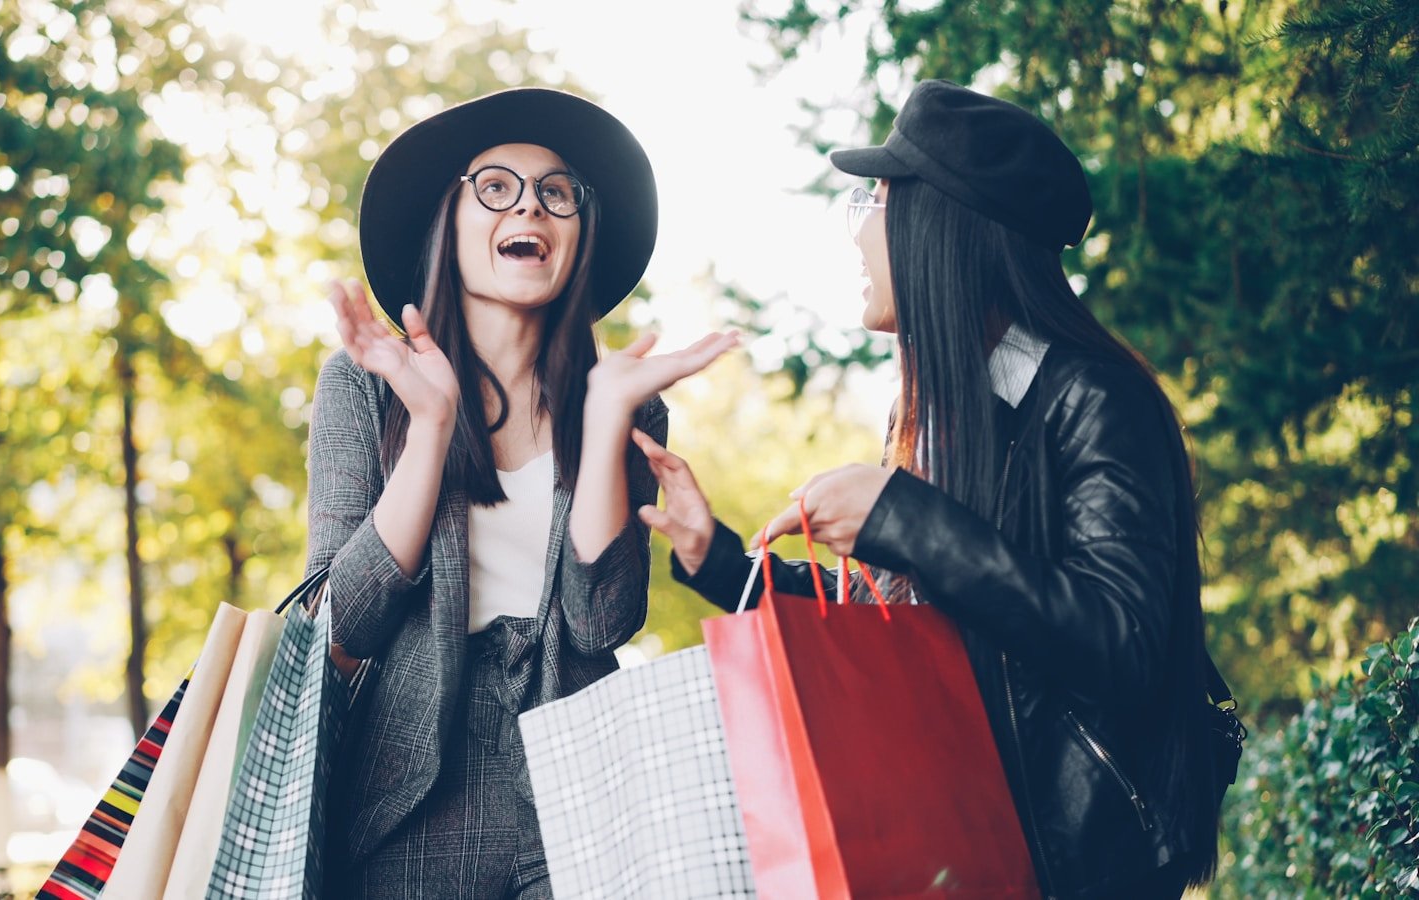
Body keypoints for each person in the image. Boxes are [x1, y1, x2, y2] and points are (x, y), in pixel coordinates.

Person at [634, 80, 1220, 898]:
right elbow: (908, 614)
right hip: (956, 850)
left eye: (876, 198)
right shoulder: (939, 416)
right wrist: (722, 562)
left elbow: (1123, 644)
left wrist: (904, 516)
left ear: (944, 225)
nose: (859, 228)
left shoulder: (1095, 399)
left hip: (1075, 866)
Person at [306, 88, 736, 898]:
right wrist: (430, 428)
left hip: (581, 788)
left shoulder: (627, 400)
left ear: (578, 234)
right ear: (451, 221)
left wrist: (606, 421)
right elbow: (341, 622)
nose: (530, 205)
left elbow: (602, 621)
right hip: (406, 797)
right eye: (497, 186)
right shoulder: (366, 387)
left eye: (557, 192)